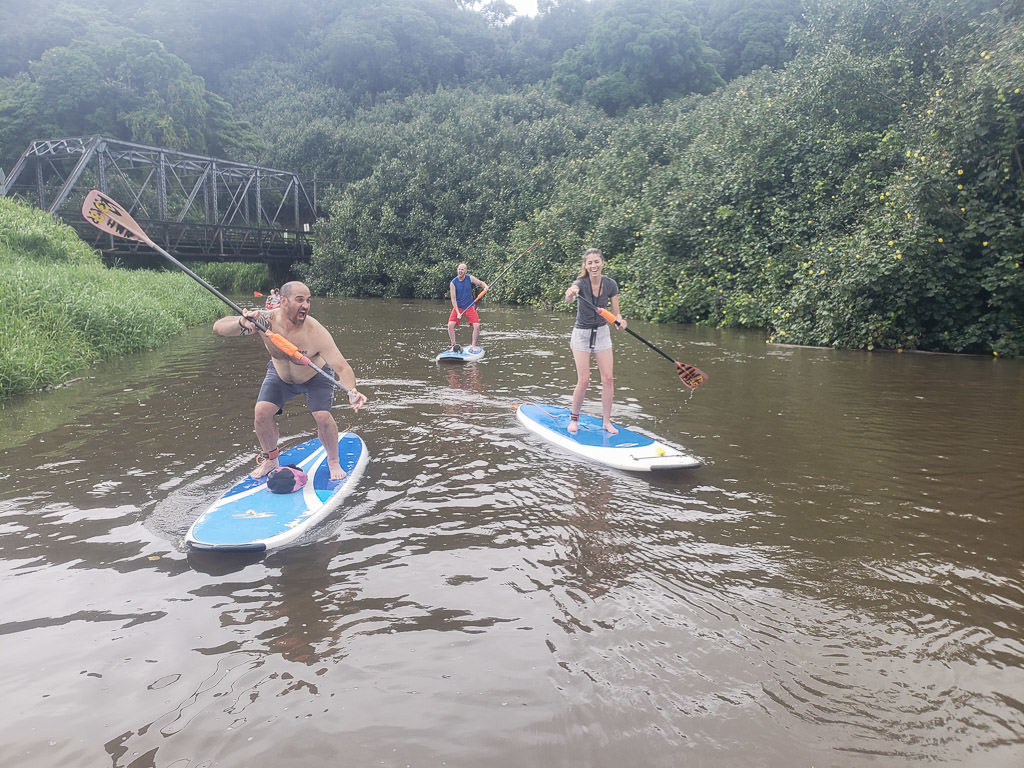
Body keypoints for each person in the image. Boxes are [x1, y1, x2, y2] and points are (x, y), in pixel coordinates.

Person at [214, 281, 367, 480]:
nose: (305, 305)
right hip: (280, 375)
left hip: (315, 377)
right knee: (261, 413)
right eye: (300, 300)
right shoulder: (264, 320)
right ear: (283, 301)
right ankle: (271, 459)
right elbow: (219, 327)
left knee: (322, 416)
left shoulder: (316, 332)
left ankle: (333, 461)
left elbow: (342, 367)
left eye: (308, 301)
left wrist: (351, 390)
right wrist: (242, 323)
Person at [563, 248, 626, 435]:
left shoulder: (611, 284)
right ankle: (574, 418)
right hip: (581, 333)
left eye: (596, 261)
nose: (593, 265)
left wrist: (620, 321)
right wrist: (571, 293)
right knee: (584, 380)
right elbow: (569, 297)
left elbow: (617, 313)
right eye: (590, 263)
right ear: (586, 266)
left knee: (608, 378)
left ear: (602, 263)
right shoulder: (580, 283)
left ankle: (607, 422)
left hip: (602, 333)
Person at [448, 262, 488, 350]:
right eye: (459, 269)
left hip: (470, 306)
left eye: (462, 269)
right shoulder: (453, 283)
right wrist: (458, 312)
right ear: (457, 270)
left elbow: (480, 283)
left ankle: (473, 345)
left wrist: (485, 287)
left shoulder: (469, 278)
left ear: (465, 271)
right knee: (450, 325)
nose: (460, 271)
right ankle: (453, 344)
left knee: (477, 326)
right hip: (458, 307)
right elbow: (453, 300)